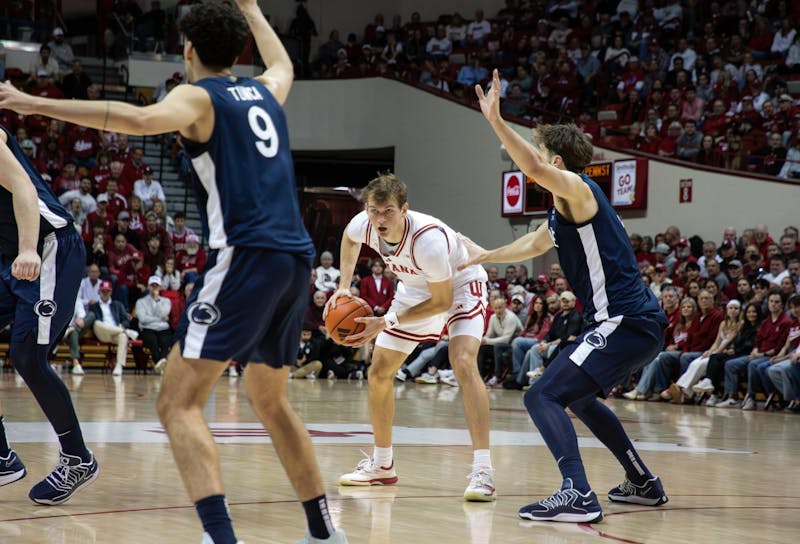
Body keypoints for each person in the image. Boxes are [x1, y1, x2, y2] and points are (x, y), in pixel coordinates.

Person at [0, 2, 346, 543]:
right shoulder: (265, 91)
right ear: (240, 50)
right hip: (295, 258)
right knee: (271, 401)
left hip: (246, 255)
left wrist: (30, 102)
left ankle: (219, 537)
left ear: (187, 50)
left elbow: (135, 120)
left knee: (177, 402)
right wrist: (254, 9)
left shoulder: (198, 96)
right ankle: (325, 534)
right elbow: (284, 67)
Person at [460, 70, 670, 523]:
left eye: (539, 152)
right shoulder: (560, 214)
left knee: (541, 397)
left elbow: (534, 170)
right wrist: (482, 254)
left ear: (556, 161)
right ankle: (642, 483)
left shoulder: (579, 188)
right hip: (629, 324)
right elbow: (532, 244)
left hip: (625, 321)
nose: (531, 160)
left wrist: (495, 120)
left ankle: (577, 492)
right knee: (577, 398)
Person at [327, 173, 497, 502]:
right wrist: (343, 287)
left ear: (404, 209)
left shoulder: (428, 240)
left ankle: (483, 470)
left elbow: (442, 301)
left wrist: (385, 320)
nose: (380, 219)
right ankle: (382, 464)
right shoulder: (363, 223)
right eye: (374, 211)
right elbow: (349, 240)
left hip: (459, 286)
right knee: (378, 373)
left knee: (462, 362)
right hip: (415, 290)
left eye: (388, 211)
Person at [0, 119, 98, 505]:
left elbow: (22, 185)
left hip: (47, 246)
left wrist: (27, 249)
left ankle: (77, 457)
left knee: (27, 356)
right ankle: (2, 458)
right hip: (9, 253)